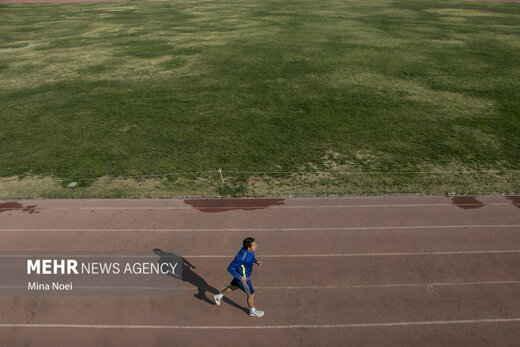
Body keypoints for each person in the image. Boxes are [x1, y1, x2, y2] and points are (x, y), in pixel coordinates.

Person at [213, 237, 264, 317]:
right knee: (251, 295)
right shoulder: (241, 257)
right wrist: (240, 277)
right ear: (248, 247)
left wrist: (256, 261)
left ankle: (218, 296)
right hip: (243, 278)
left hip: (241, 276)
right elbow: (230, 268)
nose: (256, 246)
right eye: (254, 245)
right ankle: (252, 311)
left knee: (234, 287)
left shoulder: (250, 251)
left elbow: (251, 257)